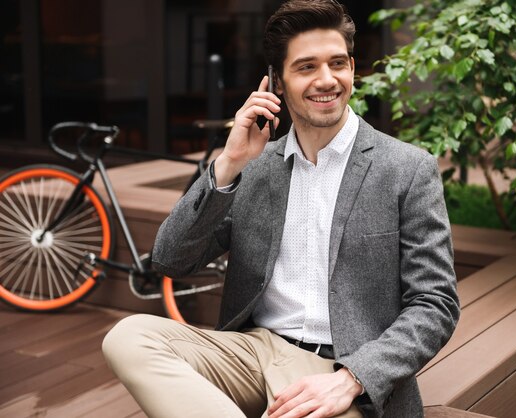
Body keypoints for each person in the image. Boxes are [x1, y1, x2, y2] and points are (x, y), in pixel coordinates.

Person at [102, 1, 460, 417]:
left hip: (345, 368)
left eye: (337, 63)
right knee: (129, 336)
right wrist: (229, 164)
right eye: (307, 67)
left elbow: (435, 303)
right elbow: (170, 259)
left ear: (352, 68)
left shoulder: (406, 168)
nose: (327, 80)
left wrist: (352, 378)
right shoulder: (253, 169)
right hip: (252, 352)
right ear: (276, 81)